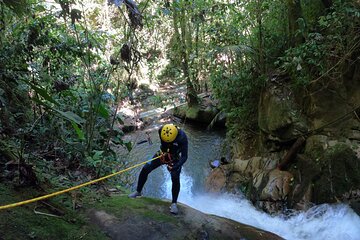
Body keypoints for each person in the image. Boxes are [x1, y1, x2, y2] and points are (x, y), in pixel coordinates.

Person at [128, 124, 188, 214]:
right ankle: (138, 191)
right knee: (145, 168)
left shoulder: (182, 137)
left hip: (175, 157)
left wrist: (175, 166)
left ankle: (174, 203)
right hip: (162, 154)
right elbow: (163, 145)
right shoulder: (161, 130)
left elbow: (184, 156)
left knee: (175, 177)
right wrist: (164, 152)